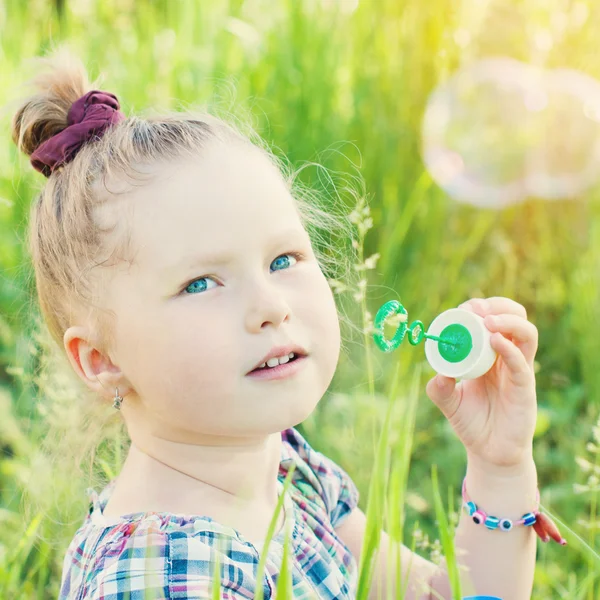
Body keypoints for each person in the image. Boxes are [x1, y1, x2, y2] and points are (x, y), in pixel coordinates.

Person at [10, 46, 563, 600]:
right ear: (102, 360)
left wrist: (499, 465)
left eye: (283, 260)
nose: (271, 305)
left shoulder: (286, 470)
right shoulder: (165, 577)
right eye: (200, 284)